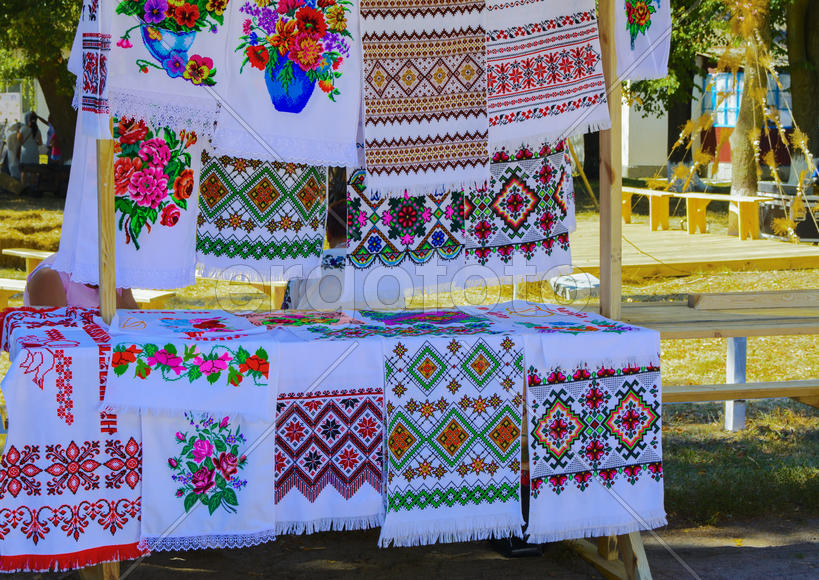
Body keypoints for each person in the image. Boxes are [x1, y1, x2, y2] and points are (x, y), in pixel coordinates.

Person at [24, 254, 137, 309]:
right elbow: (56, 341)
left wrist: (106, 287)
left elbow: (133, 324)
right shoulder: (50, 276)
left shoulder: (116, 271)